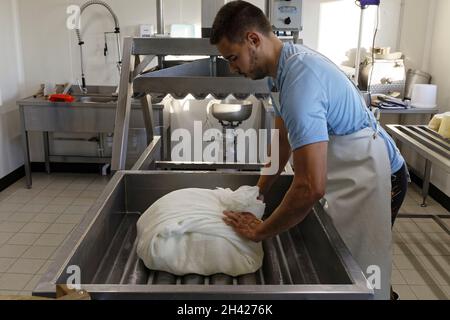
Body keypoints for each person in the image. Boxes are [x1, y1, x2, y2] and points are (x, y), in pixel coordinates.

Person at [211, 1, 409, 300]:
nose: (232, 67)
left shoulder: (301, 79)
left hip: (377, 174)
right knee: (348, 259)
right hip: (348, 170)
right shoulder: (280, 73)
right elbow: (282, 141)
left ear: (253, 39)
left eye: (233, 57)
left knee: (364, 266)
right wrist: (258, 192)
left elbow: (310, 186)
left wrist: (260, 231)